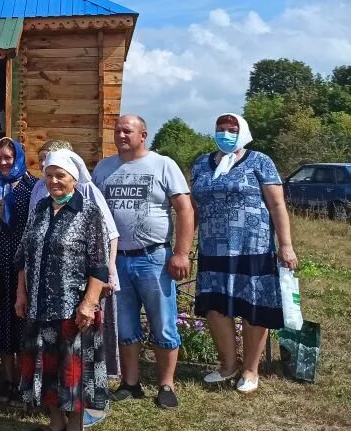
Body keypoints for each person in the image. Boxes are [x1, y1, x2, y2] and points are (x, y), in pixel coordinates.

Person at [92, 114, 195, 410]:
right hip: (117, 261)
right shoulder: (104, 168)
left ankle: (166, 384)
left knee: (163, 323)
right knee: (124, 326)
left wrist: (181, 253)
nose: (121, 136)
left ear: (143, 135)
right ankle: (130, 382)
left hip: (155, 258)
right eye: (117, 131)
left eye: (127, 131)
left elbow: (184, 209)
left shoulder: (163, 165)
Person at [191, 113, 298, 394]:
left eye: (232, 129)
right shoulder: (202, 163)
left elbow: (276, 206)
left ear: (243, 131)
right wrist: (183, 244)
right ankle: (228, 365)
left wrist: (285, 245)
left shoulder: (260, 161)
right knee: (215, 307)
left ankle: (251, 369)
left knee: (253, 307)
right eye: (220, 128)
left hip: (253, 246)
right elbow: (194, 208)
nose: (225, 133)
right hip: (212, 248)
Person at [16, 150, 109, 431]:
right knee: (45, 363)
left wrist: (89, 302)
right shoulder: (40, 209)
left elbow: (99, 265)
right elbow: (23, 255)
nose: (54, 181)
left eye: (61, 175)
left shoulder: (88, 213)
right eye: (49, 174)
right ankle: (55, 421)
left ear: (74, 179)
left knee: (73, 366)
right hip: (39, 304)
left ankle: (76, 426)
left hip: (73, 306)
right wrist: (21, 293)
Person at [0, 137, 38, 402]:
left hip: (25, 264)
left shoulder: (33, 186)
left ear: (18, 157)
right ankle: (8, 381)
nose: (4, 162)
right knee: (2, 324)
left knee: (24, 325)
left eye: (8, 157)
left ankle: (27, 383)